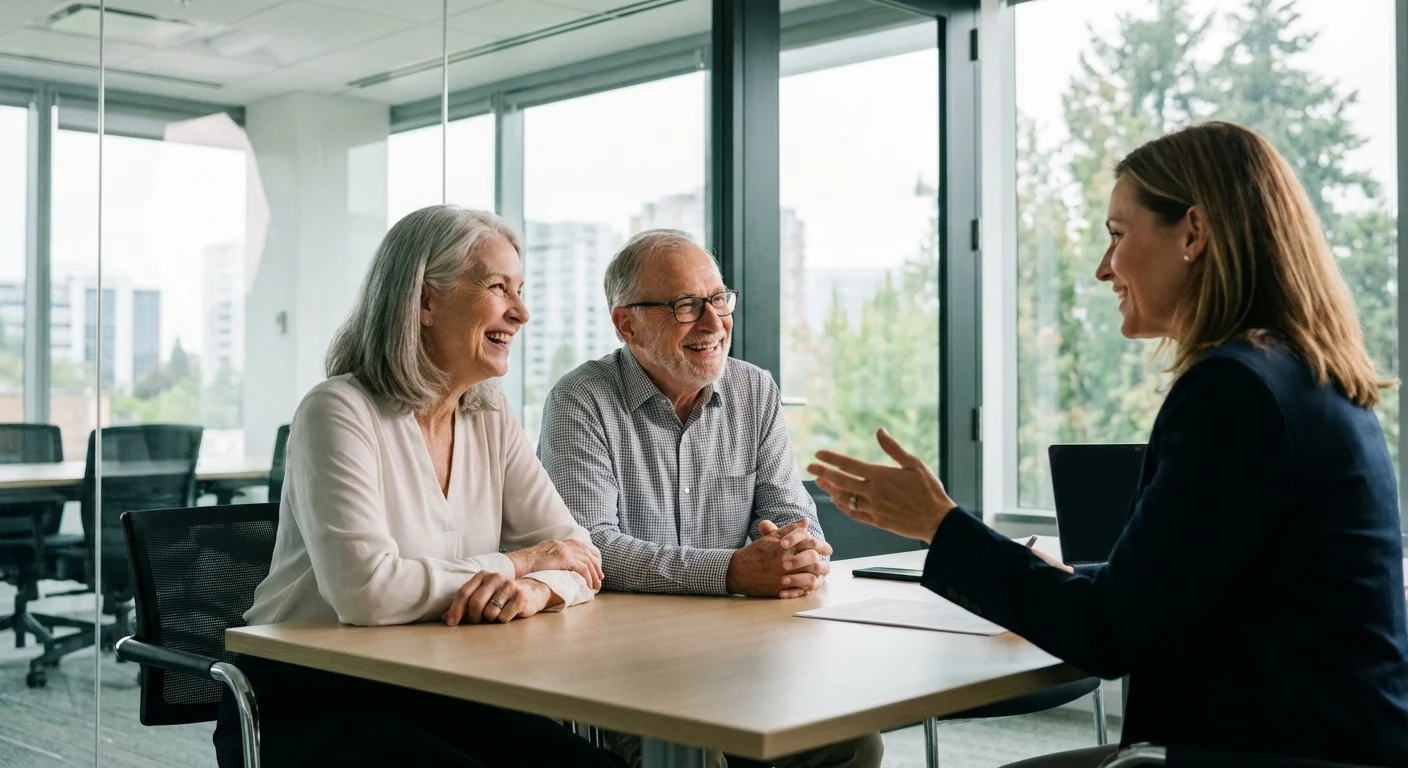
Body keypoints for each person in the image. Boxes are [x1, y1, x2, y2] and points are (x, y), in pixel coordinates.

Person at [808, 122, 1408, 768]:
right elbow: (1188, 583)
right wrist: (1074, 577)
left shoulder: (1236, 393)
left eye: (1117, 236)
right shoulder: (1306, 375)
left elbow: (1113, 633)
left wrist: (938, 523)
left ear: (1194, 234)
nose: (1103, 269)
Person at [213, 205, 616, 768]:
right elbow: (367, 593)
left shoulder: (488, 416)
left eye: (520, 290)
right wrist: (517, 565)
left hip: (439, 683)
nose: (521, 312)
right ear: (424, 301)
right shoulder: (338, 410)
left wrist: (537, 590)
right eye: (499, 287)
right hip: (306, 694)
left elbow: (580, 556)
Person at [538, 229, 884, 768]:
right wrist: (733, 572)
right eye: (685, 306)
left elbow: (796, 520)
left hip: (742, 652)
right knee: (696, 753)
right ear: (626, 324)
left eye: (719, 299)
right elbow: (590, 551)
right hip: (624, 663)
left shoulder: (755, 390)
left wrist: (799, 554)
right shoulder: (580, 400)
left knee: (854, 743)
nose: (713, 322)